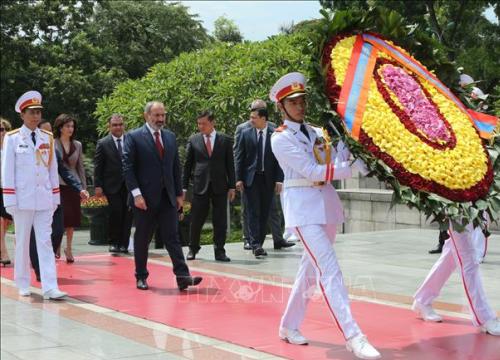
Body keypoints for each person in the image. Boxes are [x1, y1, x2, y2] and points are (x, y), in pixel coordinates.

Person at [269, 73, 380, 359]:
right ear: (281, 107)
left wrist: (352, 145)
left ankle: (288, 326)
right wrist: (351, 167)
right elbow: (313, 171)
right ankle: (353, 336)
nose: (300, 106)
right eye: (293, 102)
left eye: (302, 100)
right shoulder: (280, 138)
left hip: (326, 207)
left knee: (309, 271)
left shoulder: (319, 131)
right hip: (303, 210)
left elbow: (336, 158)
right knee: (329, 270)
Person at [122, 101, 202, 291]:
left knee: (172, 237)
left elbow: (175, 167)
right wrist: (136, 194)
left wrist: (179, 193)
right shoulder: (133, 137)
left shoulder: (170, 137)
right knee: (143, 238)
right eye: (156, 115)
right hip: (144, 200)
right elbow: (127, 168)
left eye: (163, 115)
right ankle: (141, 276)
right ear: (146, 116)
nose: (160, 119)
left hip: (167, 198)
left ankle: (183, 276)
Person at [1, 90, 66, 300]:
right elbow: (7, 171)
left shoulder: (46, 137)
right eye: (32, 112)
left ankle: (50, 286)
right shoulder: (12, 139)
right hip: (22, 199)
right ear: (22, 115)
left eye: (38, 112)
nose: (36, 116)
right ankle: (22, 282)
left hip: (44, 198)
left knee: (45, 242)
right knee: (22, 241)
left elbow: (52, 169)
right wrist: (9, 200)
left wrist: (55, 197)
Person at [413, 222, 500, 335]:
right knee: (468, 260)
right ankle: (484, 316)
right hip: (457, 210)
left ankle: (423, 299)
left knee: (450, 256)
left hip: (467, 209)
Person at [30, 120, 89, 281]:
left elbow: (65, 171)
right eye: (45, 131)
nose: (49, 134)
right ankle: (39, 269)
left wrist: (80, 188)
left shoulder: (52, 149)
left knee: (57, 231)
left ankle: (46, 259)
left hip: (54, 197)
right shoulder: (24, 145)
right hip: (33, 198)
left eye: (50, 132)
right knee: (36, 234)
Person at [234, 100, 294, 251]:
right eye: (251, 115)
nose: (251, 119)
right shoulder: (244, 131)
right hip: (251, 179)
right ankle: (253, 243)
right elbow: (239, 157)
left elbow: (279, 158)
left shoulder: (275, 132)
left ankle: (261, 242)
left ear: (263, 117)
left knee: (266, 211)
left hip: (268, 179)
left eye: (255, 116)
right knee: (252, 211)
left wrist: (279, 180)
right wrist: (238, 178)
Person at [182, 111, 235, 262]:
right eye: (198, 124)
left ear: (213, 122)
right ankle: (193, 248)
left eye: (203, 123)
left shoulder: (224, 140)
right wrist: (184, 188)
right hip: (200, 185)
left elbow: (230, 165)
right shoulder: (194, 140)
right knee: (196, 219)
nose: (200, 127)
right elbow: (187, 165)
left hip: (220, 185)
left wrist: (232, 186)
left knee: (220, 221)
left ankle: (219, 251)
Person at [94, 114, 133, 254]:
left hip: (130, 185)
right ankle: (113, 242)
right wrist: (98, 185)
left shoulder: (131, 140)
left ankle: (124, 244)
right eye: (115, 125)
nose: (118, 127)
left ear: (124, 125)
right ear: (109, 126)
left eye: (120, 124)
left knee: (128, 215)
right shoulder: (103, 143)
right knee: (116, 213)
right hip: (112, 185)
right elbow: (98, 166)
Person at [53, 114, 87, 263]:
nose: (70, 129)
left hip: (73, 186)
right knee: (60, 218)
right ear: (60, 127)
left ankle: (69, 248)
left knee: (72, 219)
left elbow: (80, 167)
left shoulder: (78, 145)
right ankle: (57, 247)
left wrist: (83, 187)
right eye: (67, 126)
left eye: (72, 126)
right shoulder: (53, 143)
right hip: (57, 185)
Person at [1, 118, 14, 266]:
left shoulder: (11, 147)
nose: (1, 132)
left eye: (3, 129)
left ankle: (0, 245)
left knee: (6, 221)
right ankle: (4, 251)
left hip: (8, 188)